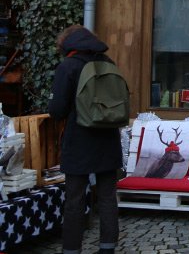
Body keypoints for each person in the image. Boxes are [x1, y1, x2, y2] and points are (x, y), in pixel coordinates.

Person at [48, 25, 121, 254]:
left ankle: (71, 249)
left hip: (79, 139)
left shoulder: (68, 66)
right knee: (107, 197)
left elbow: (57, 110)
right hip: (108, 138)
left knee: (75, 199)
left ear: (66, 44)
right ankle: (107, 248)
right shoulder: (108, 63)